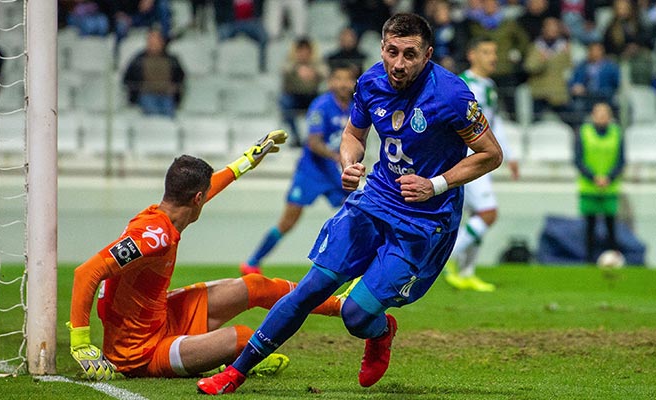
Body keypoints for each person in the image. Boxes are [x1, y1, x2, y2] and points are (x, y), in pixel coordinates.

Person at [197, 13, 503, 395]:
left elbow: (491, 154)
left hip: (423, 221)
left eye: (410, 54)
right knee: (310, 289)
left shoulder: (453, 95)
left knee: (356, 317)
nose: (399, 63)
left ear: (427, 54)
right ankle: (236, 372)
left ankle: (381, 331)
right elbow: (352, 135)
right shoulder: (371, 81)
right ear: (382, 48)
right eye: (392, 51)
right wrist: (349, 162)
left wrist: (436, 184)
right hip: (374, 200)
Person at [66, 131, 344, 380]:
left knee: (255, 286)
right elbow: (87, 272)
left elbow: (212, 185)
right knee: (245, 339)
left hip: (161, 317)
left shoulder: (166, 217)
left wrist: (247, 160)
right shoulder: (152, 236)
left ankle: (340, 306)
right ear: (197, 198)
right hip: (139, 352)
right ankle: (236, 358)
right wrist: (81, 342)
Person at [240, 63, 358, 276]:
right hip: (311, 172)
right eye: (338, 78)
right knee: (288, 221)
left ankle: (352, 265)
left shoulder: (355, 108)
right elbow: (313, 141)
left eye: (347, 79)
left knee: (354, 215)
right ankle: (252, 262)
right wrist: (335, 156)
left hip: (334, 174)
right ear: (330, 82)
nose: (343, 83)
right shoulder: (321, 106)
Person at [444, 36, 519, 293]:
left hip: (483, 158)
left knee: (478, 215)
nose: (493, 57)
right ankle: (446, 258)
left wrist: (509, 155)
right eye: (487, 52)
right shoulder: (461, 85)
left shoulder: (488, 86)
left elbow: (492, 124)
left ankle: (466, 272)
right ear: (473, 55)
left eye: (495, 52)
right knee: (489, 213)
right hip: (467, 158)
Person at [574, 102, 625, 263]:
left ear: (610, 116)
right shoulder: (584, 132)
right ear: (593, 115)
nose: (602, 116)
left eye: (605, 113)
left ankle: (613, 260)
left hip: (610, 188)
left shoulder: (617, 133)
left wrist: (608, 177)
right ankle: (589, 261)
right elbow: (578, 159)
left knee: (611, 227)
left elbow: (621, 160)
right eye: (598, 113)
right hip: (589, 187)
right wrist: (593, 177)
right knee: (590, 227)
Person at [122, 28, 185, 118]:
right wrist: (138, 88)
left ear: (162, 42)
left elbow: (180, 77)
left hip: (166, 95)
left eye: (156, 40)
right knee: (153, 115)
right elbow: (127, 78)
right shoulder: (138, 59)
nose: (153, 43)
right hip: (146, 94)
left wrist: (175, 87)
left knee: (168, 116)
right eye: (151, 40)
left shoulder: (172, 60)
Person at [279, 37, 328, 147]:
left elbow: (326, 74)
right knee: (284, 103)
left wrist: (313, 70)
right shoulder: (289, 63)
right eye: (301, 51)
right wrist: (297, 67)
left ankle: (316, 137)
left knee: (324, 103)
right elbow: (283, 70)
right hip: (294, 97)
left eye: (306, 51)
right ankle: (296, 137)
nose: (304, 54)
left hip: (311, 96)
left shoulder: (317, 63)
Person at [567, 41, 620, 130]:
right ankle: (578, 133)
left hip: (604, 97)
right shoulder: (581, 66)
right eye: (592, 50)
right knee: (576, 107)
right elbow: (573, 83)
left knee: (617, 107)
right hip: (586, 97)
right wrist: (576, 87)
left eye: (597, 50)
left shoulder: (611, 67)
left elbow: (616, 83)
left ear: (602, 52)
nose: (594, 53)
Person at [213, 0, 269, 73]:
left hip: (252, 22)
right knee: (221, 35)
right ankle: (216, 65)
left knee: (263, 37)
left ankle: (262, 66)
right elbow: (218, 7)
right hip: (231, 22)